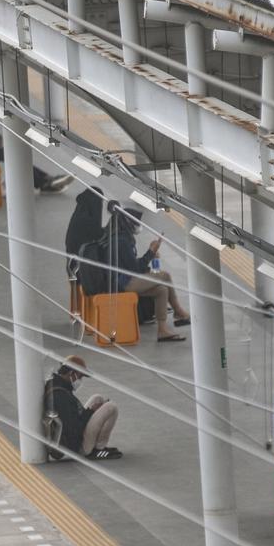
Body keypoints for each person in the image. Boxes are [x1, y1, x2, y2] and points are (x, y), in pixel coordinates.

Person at [104, 206, 189, 340]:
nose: (139, 226)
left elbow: (130, 265)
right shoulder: (121, 241)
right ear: (128, 223)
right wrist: (150, 253)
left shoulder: (122, 238)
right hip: (123, 283)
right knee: (164, 276)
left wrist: (151, 254)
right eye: (137, 223)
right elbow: (134, 269)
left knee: (161, 290)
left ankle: (162, 330)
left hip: (126, 279)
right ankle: (178, 311)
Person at [42, 355, 121, 460]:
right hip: (76, 446)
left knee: (97, 398)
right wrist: (90, 411)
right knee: (111, 407)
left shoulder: (56, 385)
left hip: (71, 439)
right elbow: (74, 429)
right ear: (71, 373)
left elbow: (72, 419)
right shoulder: (60, 396)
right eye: (80, 377)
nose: (80, 380)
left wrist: (91, 411)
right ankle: (98, 450)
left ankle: (97, 448)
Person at [64, 187, 104, 274]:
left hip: (73, 264)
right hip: (81, 267)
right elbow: (98, 234)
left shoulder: (79, 213)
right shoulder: (87, 220)